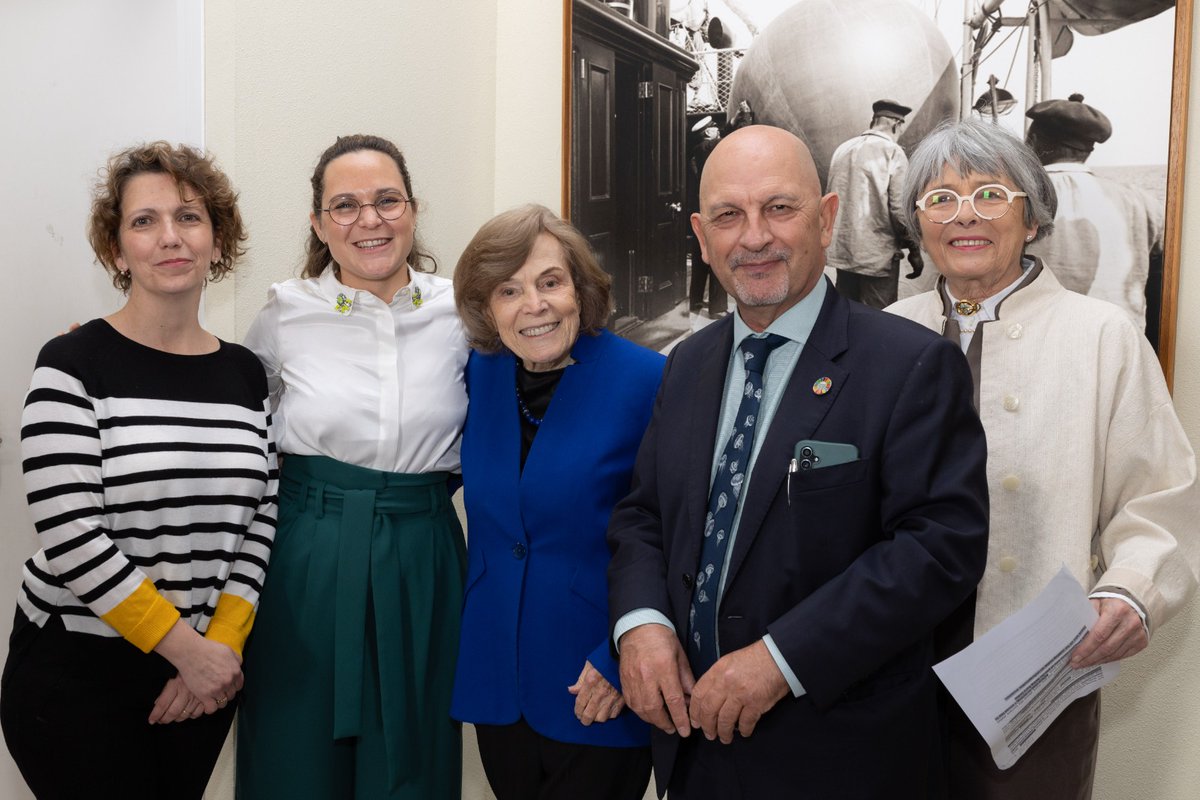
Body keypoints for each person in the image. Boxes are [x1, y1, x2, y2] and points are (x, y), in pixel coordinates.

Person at [606, 124, 990, 799]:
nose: (754, 236)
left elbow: (937, 549)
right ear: (702, 236)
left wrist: (783, 660)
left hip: (837, 754)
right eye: (729, 215)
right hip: (694, 751)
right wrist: (640, 625)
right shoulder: (688, 364)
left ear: (827, 218)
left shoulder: (910, 364)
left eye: (779, 208)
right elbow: (644, 515)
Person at [888, 118, 1200, 800]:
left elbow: (1162, 501)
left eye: (991, 194)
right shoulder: (886, 333)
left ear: (1032, 219)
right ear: (918, 225)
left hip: (1033, 674)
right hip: (887, 669)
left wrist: (1130, 590)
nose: (964, 214)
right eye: (939, 198)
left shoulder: (1102, 338)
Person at [0, 142, 277, 799]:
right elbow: (71, 537)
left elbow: (262, 519)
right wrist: (188, 652)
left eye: (188, 216)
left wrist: (223, 650)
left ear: (216, 239)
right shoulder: (72, 362)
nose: (169, 237)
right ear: (117, 252)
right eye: (143, 221)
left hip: (204, 673)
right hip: (77, 672)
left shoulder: (246, 373)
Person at [236, 134, 469, 799]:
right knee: (295, 750)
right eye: (345, 206)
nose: (369, 220)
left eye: (386, 200)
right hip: (307, 553)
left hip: (422, 550)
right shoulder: (287, 312)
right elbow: (233, 415)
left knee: (414, 747)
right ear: (318, 225)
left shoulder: (462, 310)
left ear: (413, 210)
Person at [450, 204, 661, 800]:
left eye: (550, 282)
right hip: (497, 678)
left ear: (580, 288)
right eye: (508, 290)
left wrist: (627, 654)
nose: (533, 306)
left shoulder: (647, 380)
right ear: (486, 308)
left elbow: (679, 534)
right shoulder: (477, 376)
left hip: (598, 678)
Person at [1024, 93, 1164, 330]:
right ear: (1088, 149)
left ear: (1033, 141)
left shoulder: (1017, 199)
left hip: (1037, 345)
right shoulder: (1142, 202)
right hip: (1121, 347)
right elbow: (1161, 287)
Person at [827, 98, 924, 309]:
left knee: (845, 316)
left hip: (844, 254)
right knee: (880, 321)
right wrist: (915, 250)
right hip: (877, 257)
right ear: (896, 124)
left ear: (874, 120)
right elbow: (900, 209)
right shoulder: (892, 152)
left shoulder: (842, 149)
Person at [688, 118, 727, 317]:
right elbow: (724, 142)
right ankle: (717, 307)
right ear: (707, 133)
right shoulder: (706, 147)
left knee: (699, 258)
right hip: (712, 211)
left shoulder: (697, 150)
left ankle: (695, 301)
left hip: (699, 210)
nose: (716, 130)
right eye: (713, 128)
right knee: (717, 256)